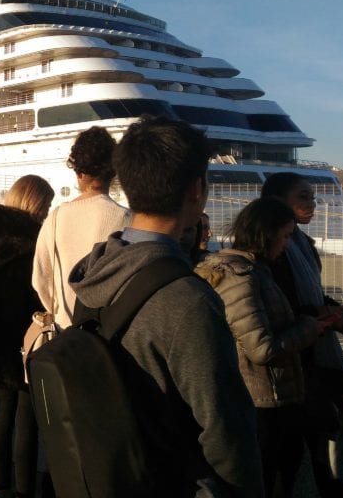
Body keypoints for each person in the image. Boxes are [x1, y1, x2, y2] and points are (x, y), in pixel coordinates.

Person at [69, 116, 262, 495]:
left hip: (110, 476)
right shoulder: (187, 299)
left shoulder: (94, 270)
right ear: (197, 189)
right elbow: (226, 432)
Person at [195, 197, 327, 496]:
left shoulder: (252, 270)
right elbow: (261, 348)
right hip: (262, 401)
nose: (287, 245)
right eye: (285, 236)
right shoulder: (240, 276)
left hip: (268, 398)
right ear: (267, 234)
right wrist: (310, 327)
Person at [262, 171, 343, 497]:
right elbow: (281, 307)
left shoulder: (302, 244)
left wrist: (331, 310)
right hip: (296, 366)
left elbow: (311, 294)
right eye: (303, 197)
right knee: (308, 450)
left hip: (312, 356)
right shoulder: (269, 251)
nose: (312, 204)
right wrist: (322, 317)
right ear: (276, 202)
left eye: (313, 197)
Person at [0, 175, 54, 498]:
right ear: (35, 202)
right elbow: (39, 292)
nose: (48, 210)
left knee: (2, 414)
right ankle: (24, 490)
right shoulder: (35, 239)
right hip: (26, 337)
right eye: (46, 204)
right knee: (27, 420)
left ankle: (1, 485)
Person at [32, 126, 129, 329]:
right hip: (108, 332)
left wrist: (59, 310)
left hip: (64, 330)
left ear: (78, 172)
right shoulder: (126, 218)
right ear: (113, 172)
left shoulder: (56, 217)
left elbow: (40, 279)